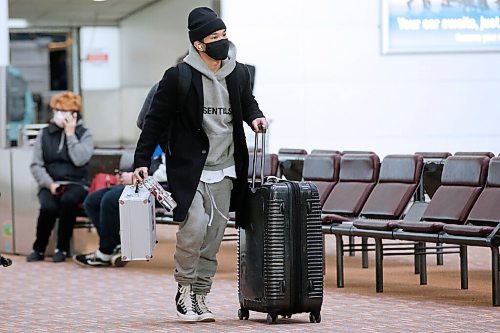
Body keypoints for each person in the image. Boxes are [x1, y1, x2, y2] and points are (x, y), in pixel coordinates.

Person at [133, 7, 267, 323]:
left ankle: (201, 294)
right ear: (199, 44)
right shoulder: (178, 76)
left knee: (215, 234)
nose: (222, 42)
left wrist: (255, 117)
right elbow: (154, 122)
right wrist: (141, 162)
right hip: (189, 168)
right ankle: (184, 289)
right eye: (214, 37)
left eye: (224, 35)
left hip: (227, 167)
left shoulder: (239, 72)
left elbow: (248, 103)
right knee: (194, 226)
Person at [27, 91, 93, 263]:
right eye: (57, 110)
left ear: (74, 114)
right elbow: (36, 164)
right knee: (48, 207)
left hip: (76, 183)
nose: (59, 114)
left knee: (68, 202)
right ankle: (38, 248)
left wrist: (71, 135)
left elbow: (80, 159)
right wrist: (49, 184)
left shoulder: (84, 134)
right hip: (50, 182)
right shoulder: (45, 134)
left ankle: (61, 248)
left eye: (64, 111)